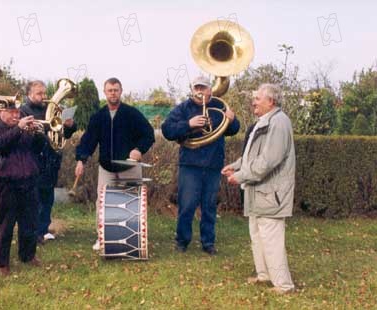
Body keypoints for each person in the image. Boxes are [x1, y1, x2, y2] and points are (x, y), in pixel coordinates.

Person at [222, 83, 295, 294]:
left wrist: (241, 175)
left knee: (271, 238)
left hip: (271, 193)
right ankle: (264, 275)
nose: (253, 102)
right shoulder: (264, 121)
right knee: (258, 235)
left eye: (258, 98)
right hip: (259, 192)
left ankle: (283, 285)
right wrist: (236, 166)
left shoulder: (279, 122)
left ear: (271, 101)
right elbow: (252, 155)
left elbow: (269, 160)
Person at [161, 76, 240, 255]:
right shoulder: (184, 108)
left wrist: (233, 119)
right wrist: (188, 124)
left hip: (213, 165)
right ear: (192, 89)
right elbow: (167, 130)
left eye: (203, 88)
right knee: (187, 205)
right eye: (197, 87)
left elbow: (233, 129)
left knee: (209, 206)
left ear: (210, 90)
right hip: (190, 164)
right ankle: (182, 241)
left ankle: (208, 243)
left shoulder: (220, 106)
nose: (200, 91)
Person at [74, 77, 155, 250]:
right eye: (110, 90)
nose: (113, 93)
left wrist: (139, 150)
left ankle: (133, 239)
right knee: (103, 204)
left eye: (116, 90)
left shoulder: (132, 113)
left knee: (131, 202)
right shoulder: (98, 117)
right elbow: (88, 141)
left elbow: (149, 134)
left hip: (129, 167)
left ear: (121, 91)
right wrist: (81, 159)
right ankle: (102, 237)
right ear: (105, 92)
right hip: (106, 168)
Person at [0, 102, 47, 276]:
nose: (15, 116)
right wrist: (19, 128)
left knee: (30, 222)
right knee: (6, 223)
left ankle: (28, 255)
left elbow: (37, 148)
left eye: (17, 112)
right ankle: (1, 263)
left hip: (28, 178)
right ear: (0, 112)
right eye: (11, 112)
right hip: (6, 181)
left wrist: (39, 135)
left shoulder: (22, 128)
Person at [20, 80, 77, 244]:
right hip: (33, 159)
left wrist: (69, 126)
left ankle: (43, 229)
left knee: (47, 198)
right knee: (34, 198)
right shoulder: (24, 110)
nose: (44, 96)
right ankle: (33, 232)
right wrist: (46, 128)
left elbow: (63, 135)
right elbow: (25, 135)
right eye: (39, 93)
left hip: (51, 160)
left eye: (45, 93)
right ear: (29, 94)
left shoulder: (50, 109)